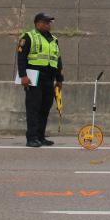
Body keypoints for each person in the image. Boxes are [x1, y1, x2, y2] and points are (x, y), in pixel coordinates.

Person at [17, 12, 64, 147]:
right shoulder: (28, 37)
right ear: (38, 23)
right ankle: (31, 138)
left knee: (45, 107)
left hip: (49, 78)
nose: (49, 25)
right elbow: (21, 57)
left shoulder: (54, 39)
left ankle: (40, 136)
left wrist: (59, 79)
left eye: (50, 22)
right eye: (46, 22)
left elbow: (58, 59)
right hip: (33, 77)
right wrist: (23, 76)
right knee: (33, 108)